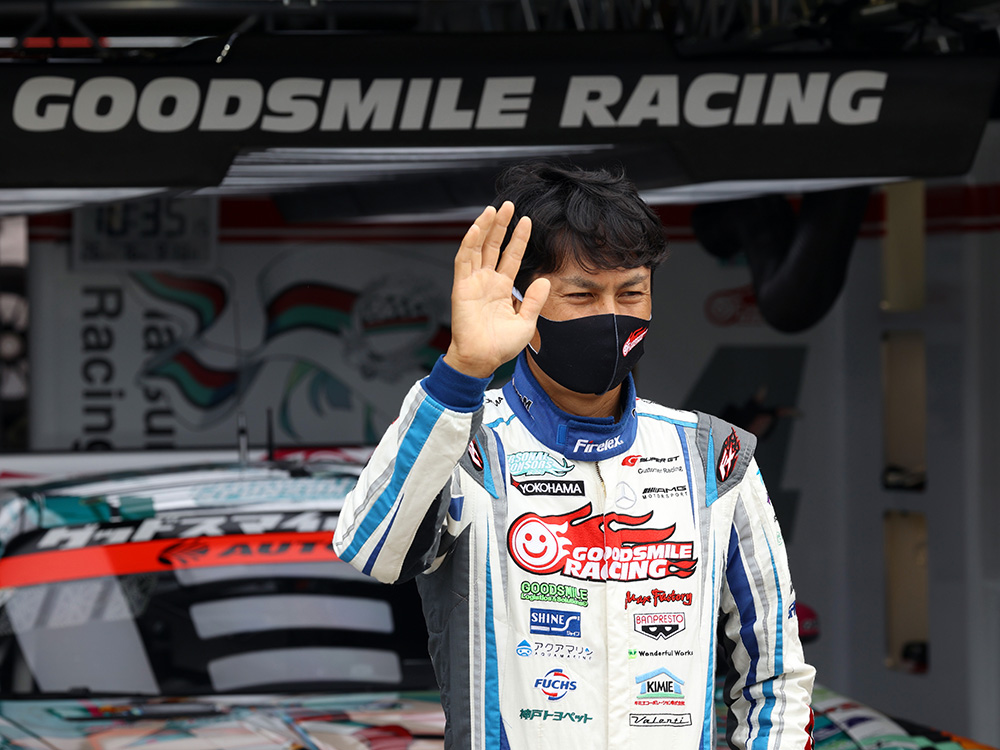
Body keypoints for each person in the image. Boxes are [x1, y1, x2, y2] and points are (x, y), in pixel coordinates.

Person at [332, 162, 815, 750]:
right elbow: (371, 549)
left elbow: (777, 675)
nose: (610, 315)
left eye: (631, 292)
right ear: (522, 304)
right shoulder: (465, 444)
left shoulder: (714, 457)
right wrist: (461, 371)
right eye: (582, 294)